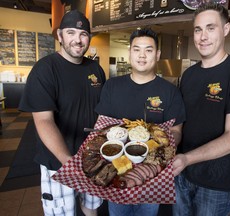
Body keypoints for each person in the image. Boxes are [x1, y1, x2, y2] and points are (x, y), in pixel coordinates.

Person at [172, 3, 230, 216]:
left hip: (216, 184)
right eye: (198, 29)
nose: (203, 36)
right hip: (182, 174)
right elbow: (181, 123)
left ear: (226, 29)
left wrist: (186, 159)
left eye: (210, 28)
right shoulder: (189, 75)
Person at [18, 10, 106, 216]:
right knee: (62, 213)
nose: (78, 39)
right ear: (59, 36)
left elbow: (103, 112)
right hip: (58, 162)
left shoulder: (96, 69)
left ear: (89, 37)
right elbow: (44, 121)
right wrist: (69, 162)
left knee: (91, 207)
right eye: (71, 32)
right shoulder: (45, 70)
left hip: (92, 159)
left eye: (83, 34)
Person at [95, 28, 186, 216]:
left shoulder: (170, 92)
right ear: (130, 53)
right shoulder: (112, 86)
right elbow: (100, 127)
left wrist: (161, 148)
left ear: (158, 54)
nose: (142, 55)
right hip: (117, 172)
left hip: (152, 175)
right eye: (136, 49)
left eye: (149, 50)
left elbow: (176, 131)